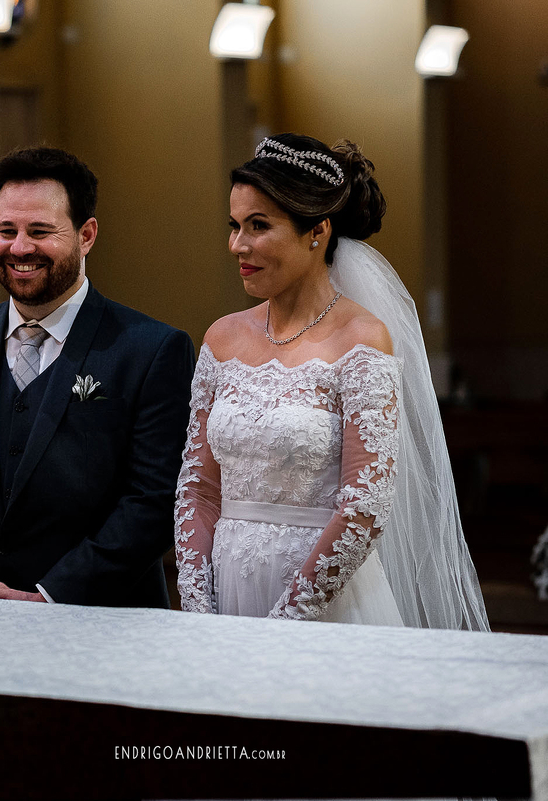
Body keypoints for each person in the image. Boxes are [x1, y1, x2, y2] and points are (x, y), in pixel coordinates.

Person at [174, 133, 488, 629]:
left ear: (316, 231)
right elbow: (199, 488)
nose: (238, 245)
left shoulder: (362, 339)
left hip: (323, 604)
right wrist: (197, 603)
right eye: (234, 226)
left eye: (259, 225)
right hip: (226, 595)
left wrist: (288, 619)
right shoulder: (221, 338)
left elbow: (365, 505)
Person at [0, 146, 193, 607]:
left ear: (86, 235)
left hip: (102, 625)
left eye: (40, 231)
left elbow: (154, 499)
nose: (20, 248)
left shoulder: (152, 349)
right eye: (6, 230)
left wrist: (52, 597)